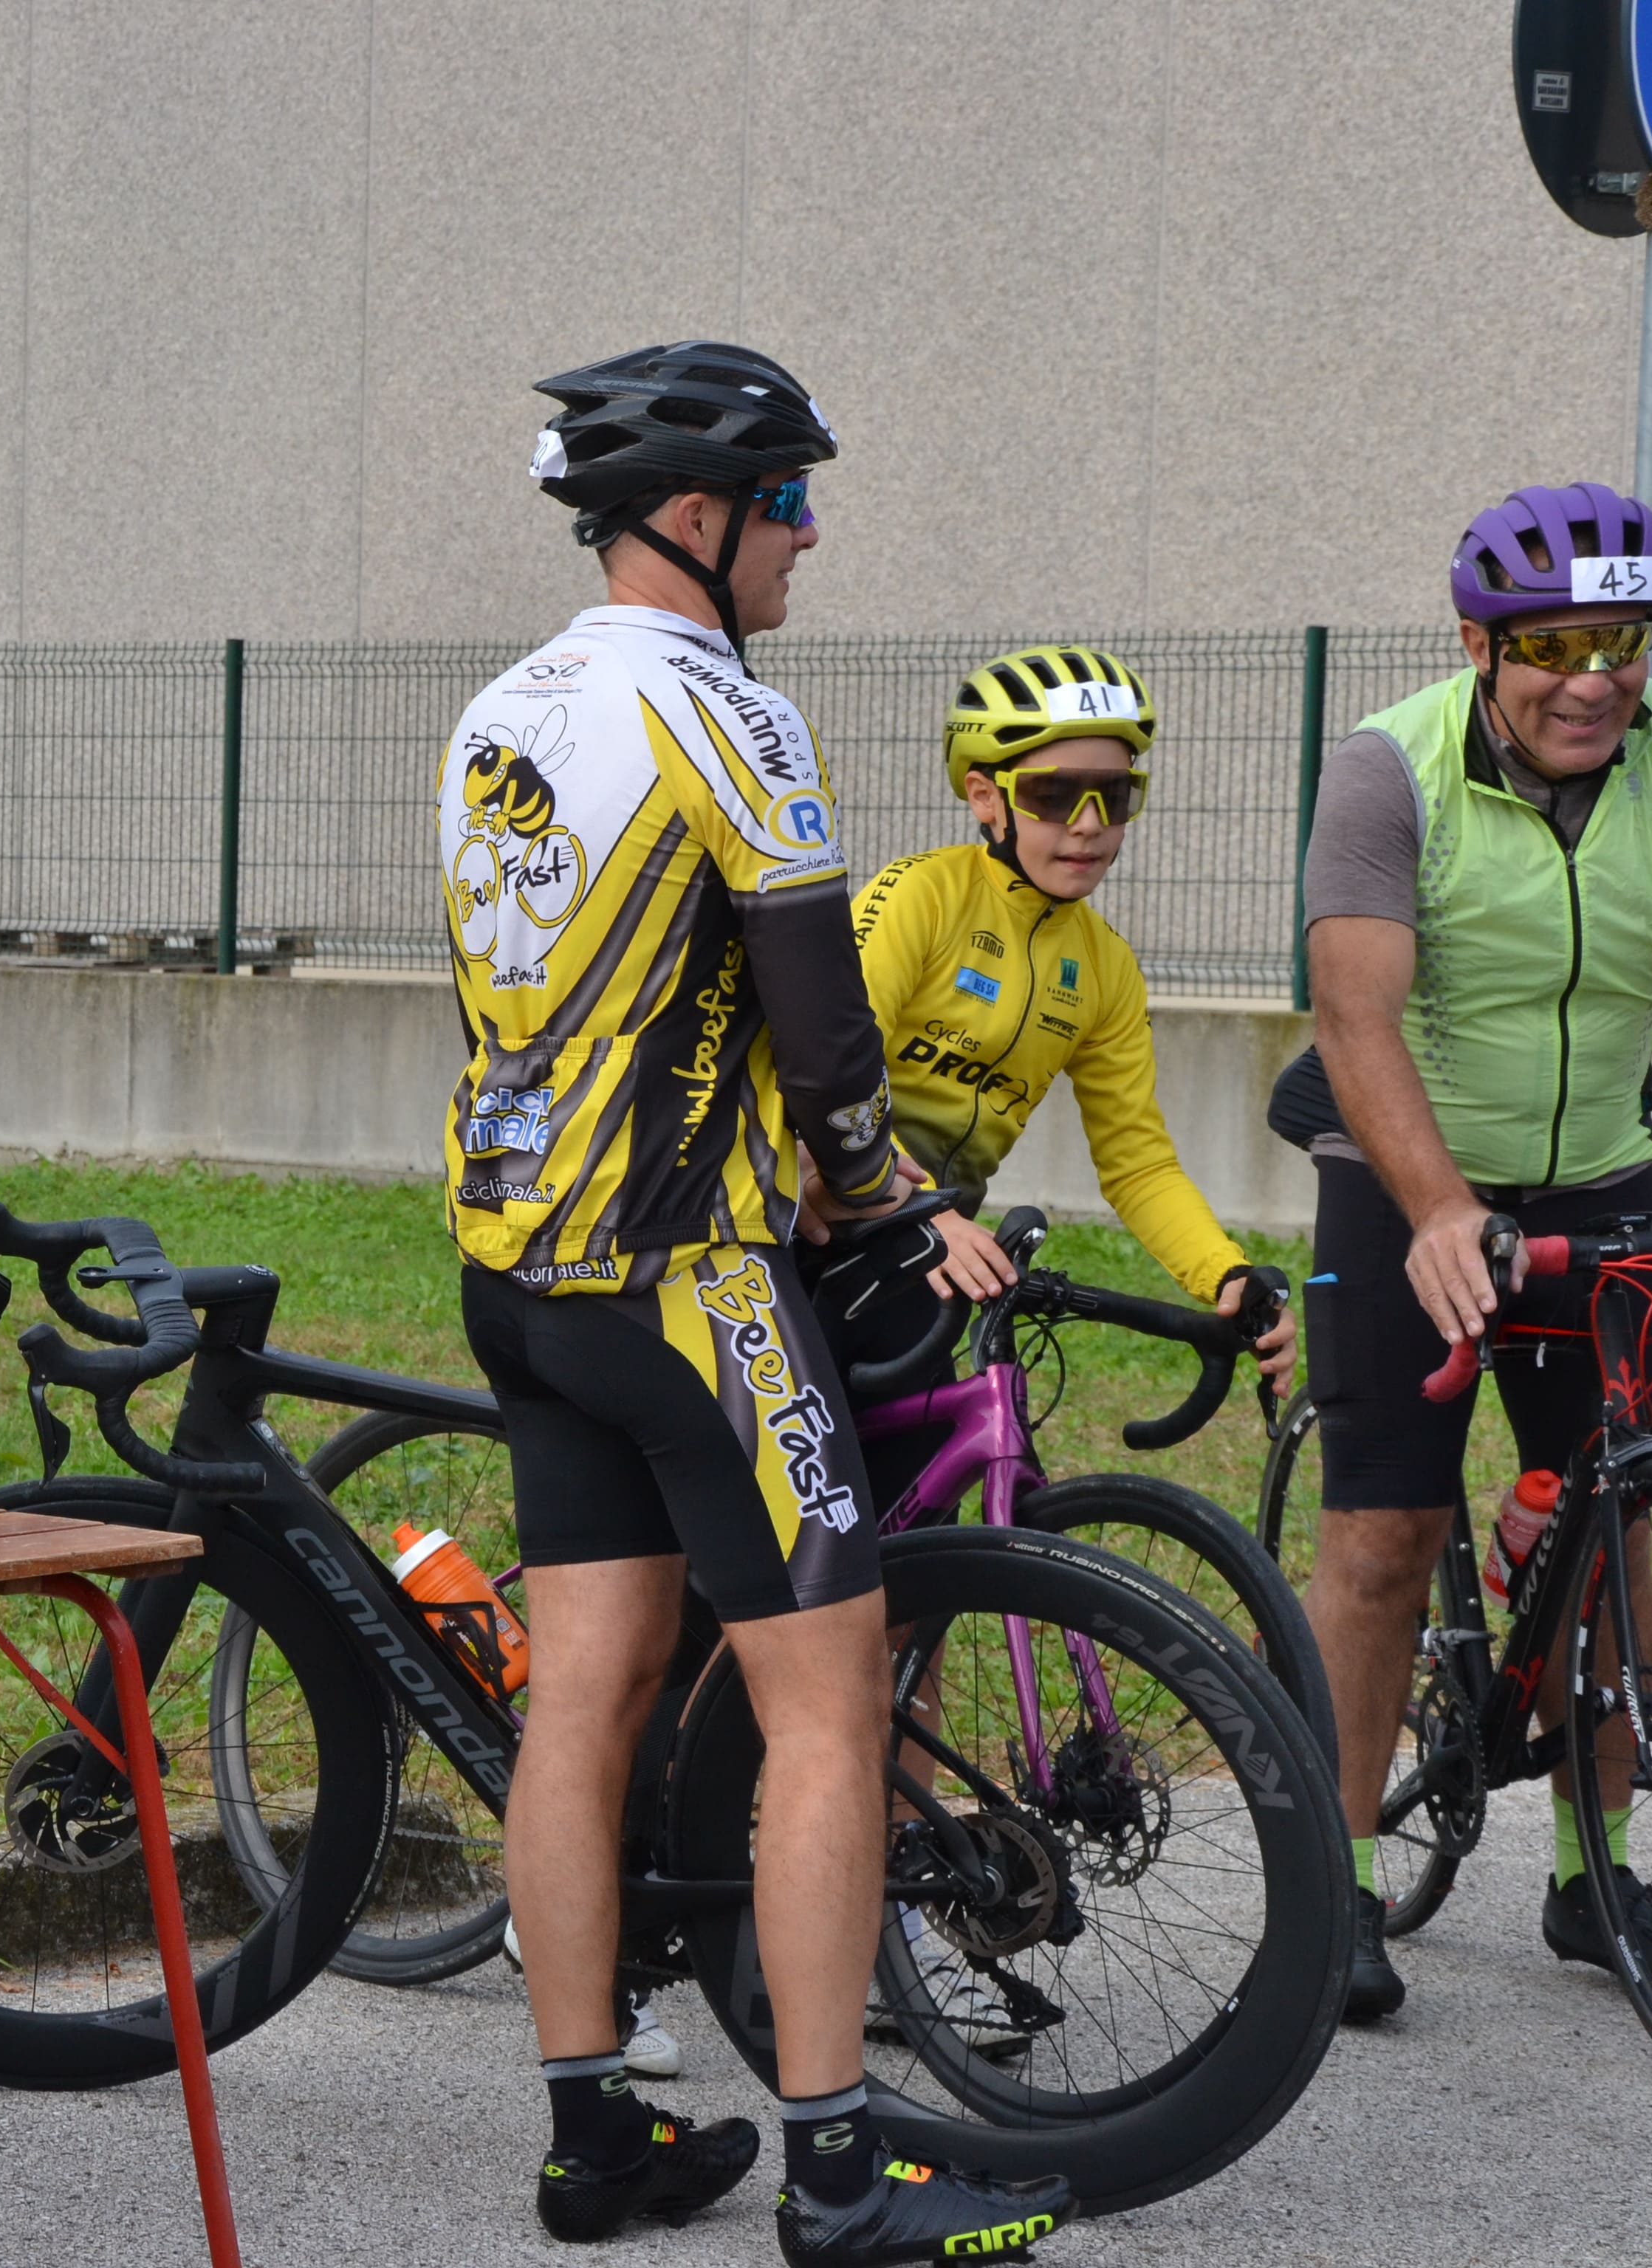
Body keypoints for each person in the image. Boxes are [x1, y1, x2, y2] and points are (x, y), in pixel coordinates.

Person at [448, 338, 1071, 2262]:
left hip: (516, 1266)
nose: (810, 536)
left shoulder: (502, 708)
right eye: (790, 501)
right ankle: (837, 2175)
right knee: (828, 1703)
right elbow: (824, 1033)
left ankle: (591, 2141)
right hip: (688, 1283)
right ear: (697, 518)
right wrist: (882, 1195)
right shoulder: (733, 716)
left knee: (588, 1698)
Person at [1300, 480, 1652, 2026]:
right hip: (1403, 1178)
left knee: (1615, 1525)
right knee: (1384, 1534)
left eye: (1623, 644)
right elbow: (1354, 1019)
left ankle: (1594, 1876)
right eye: (1552, 646)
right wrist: (1439, 1208)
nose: (1592, 680)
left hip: (1598, 1174)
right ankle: (1334, 1883)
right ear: (1478, 644)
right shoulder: (1387, 769)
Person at [837, 645, 1299, 1406]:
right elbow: (823, 1078)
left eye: (1114, 795)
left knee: (918, 1470)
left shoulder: (1104, 965)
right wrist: (910, 1208)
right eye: (1054, 795)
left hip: (929, 1262)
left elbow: (1137, 1163)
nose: (1089, 825)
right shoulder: (921, 897)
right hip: (812, 1229)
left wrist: (1227, 1272)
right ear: (985, 797)